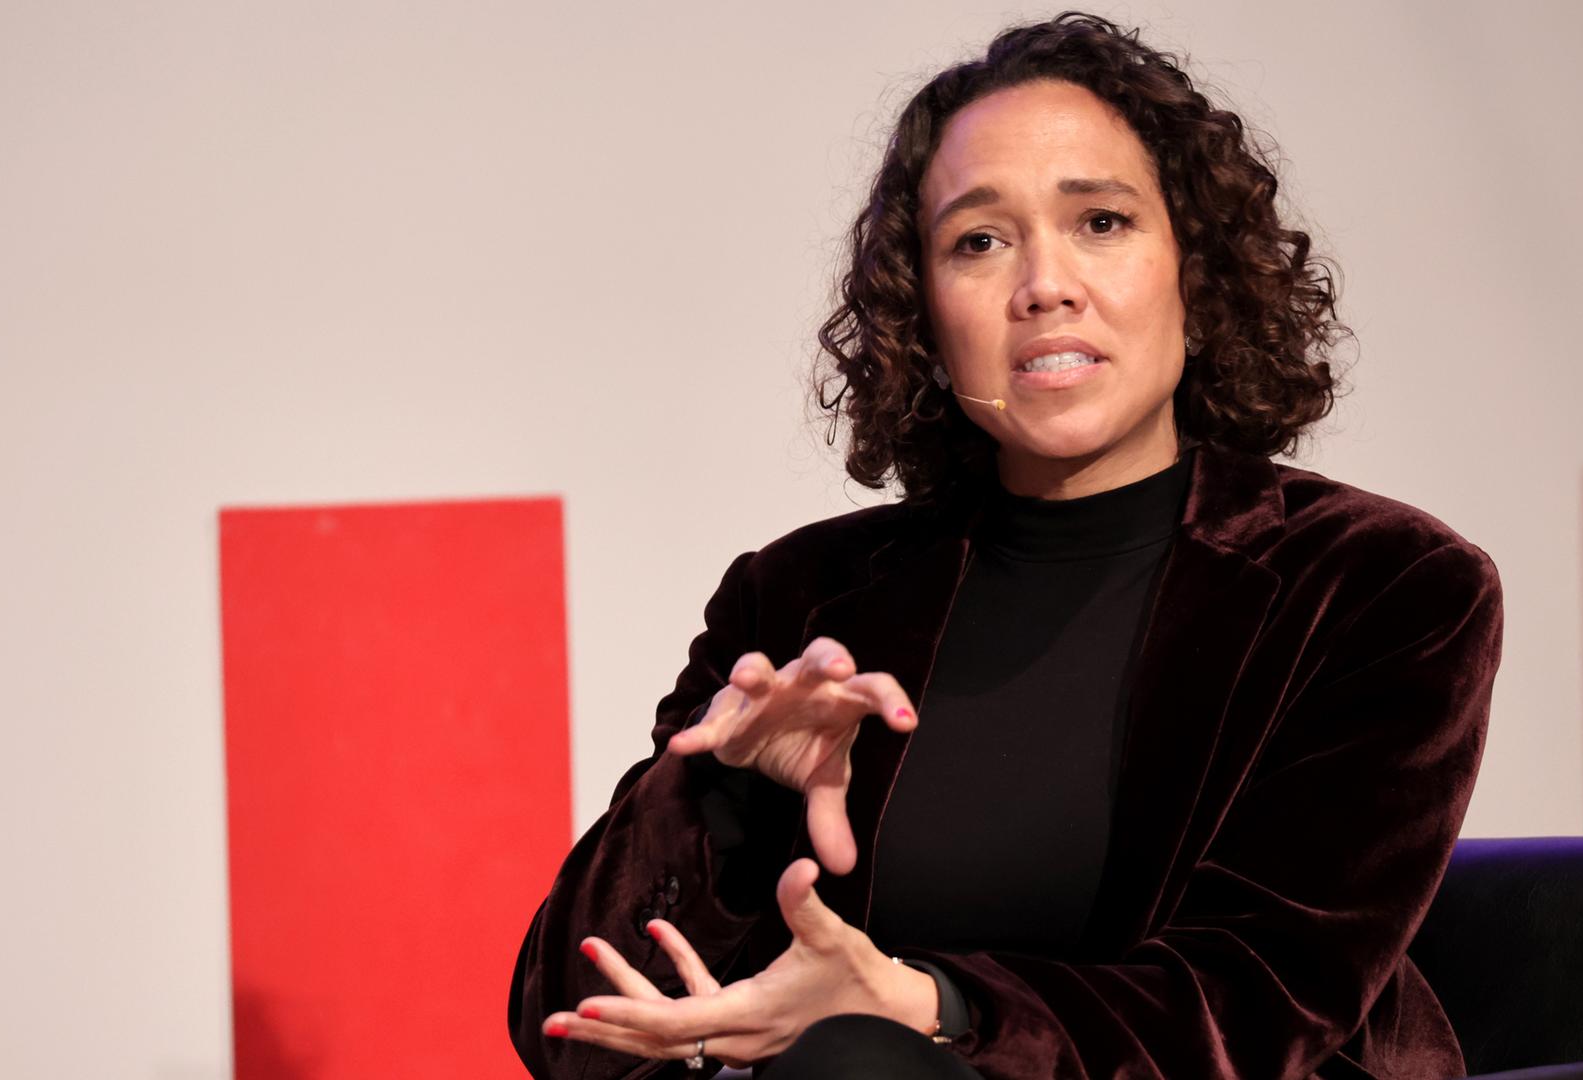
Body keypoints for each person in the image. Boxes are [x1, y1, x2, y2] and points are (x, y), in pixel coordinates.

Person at [509, 12, 1504, 1079]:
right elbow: (572, 1026)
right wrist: (728, 795)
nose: (1044, 284)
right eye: (978, 241)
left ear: (1197, 277)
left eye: (1103, 223)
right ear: (925, 322)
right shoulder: (801, 603)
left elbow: (1260, 1008)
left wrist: (927, 1005)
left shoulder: (1378, 586)